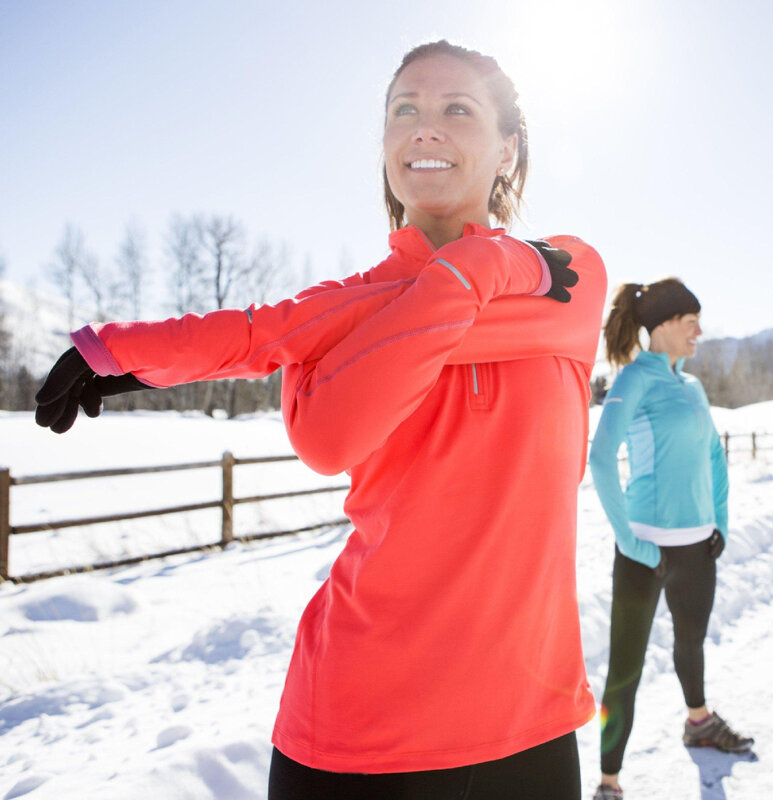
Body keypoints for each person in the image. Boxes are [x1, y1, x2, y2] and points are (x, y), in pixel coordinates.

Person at [34, 40, 607, 800]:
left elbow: (273, 335)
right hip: (355, 733)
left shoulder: (568, 276)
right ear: (384, 147)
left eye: (456, 109)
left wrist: (477, 267)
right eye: (404, 110)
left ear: (508, 151)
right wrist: (121, 351)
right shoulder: (355, 306)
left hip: (529, 727)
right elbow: (327, 430)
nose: (424, 128)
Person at [587, 278, 753, 800]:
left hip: (699, 548)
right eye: (690, 323)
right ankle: (609, 780)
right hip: (645, 551)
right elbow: (599, 458)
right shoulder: (634, 379)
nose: (699, 332)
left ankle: (698, 721)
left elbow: (713, 458)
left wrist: (719, 521)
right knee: (625, 672)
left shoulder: (694, 386)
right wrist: (629, 540)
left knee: (691, 645)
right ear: (661, 326)